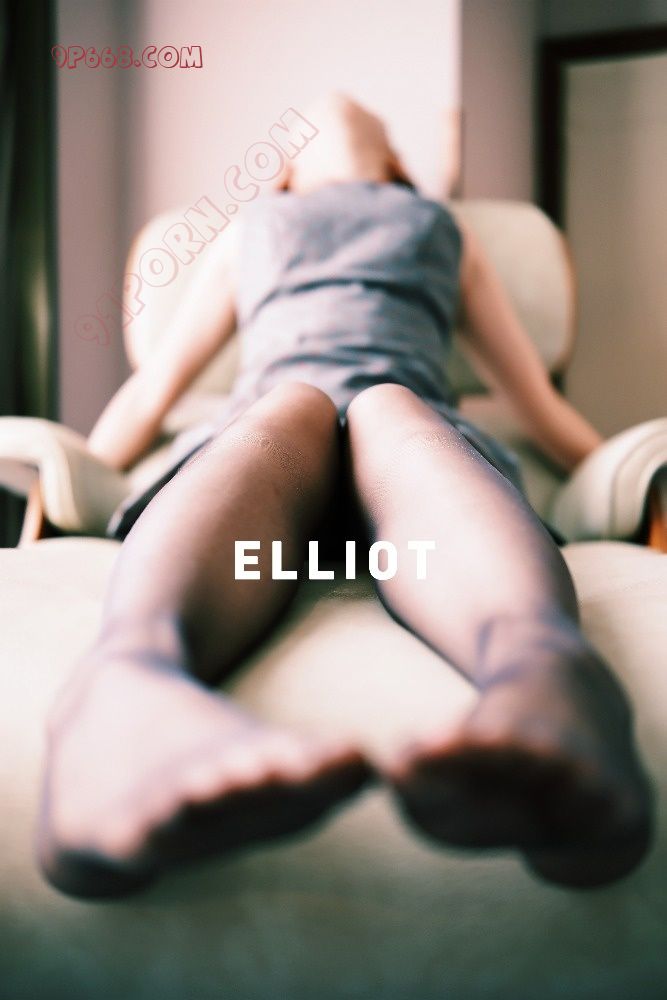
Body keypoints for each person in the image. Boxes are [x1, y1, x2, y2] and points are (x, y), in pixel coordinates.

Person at [38, 94, 653, 899]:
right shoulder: (254, 227)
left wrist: (616, 465)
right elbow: (155, 389)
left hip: (410, 479)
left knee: (384, 403)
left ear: (394, 162)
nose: (337, 111)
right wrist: (84, 476)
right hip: (264, 478)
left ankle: (550, 684)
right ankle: (126, 693)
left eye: (363, 120)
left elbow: (534, 400)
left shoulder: (438, 227)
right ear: (287, 174)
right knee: (293, 403)